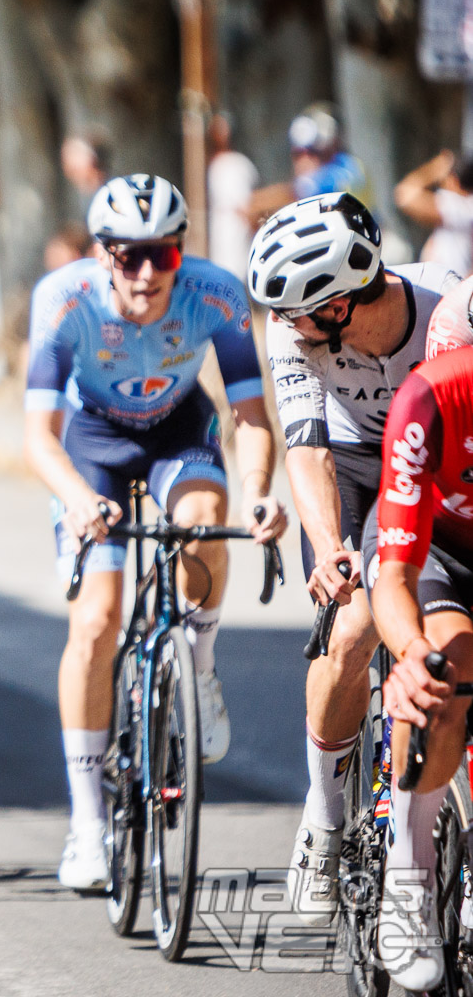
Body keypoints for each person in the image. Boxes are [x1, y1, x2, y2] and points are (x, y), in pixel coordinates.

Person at [25, 174, 288, 890]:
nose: (146, 273)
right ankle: (86, 827)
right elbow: (38, 435)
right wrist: (78, 499)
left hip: (179, 429)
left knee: (204, 523)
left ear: (182, 252)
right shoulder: (63, 299)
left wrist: (260, 493)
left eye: (162, 256)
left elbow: (252, 416)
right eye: (127, 255)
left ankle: (198, 671)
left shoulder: (218, 293)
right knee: (97, 621)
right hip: (92, 444)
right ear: (101, 254)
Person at [246, 191, 463, 925]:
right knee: (352, 626)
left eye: (294, 311)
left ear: (338, 305)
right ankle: (325, 811)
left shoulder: (447, 308)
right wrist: (330, 546)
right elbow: (304, 447)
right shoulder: (296, 338)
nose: (283, 325)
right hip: (348, 465)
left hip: (430, 464)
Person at [363, 344, 473, 992]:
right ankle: (410, 864)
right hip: (432, 552)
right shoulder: (430, 396)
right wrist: (408, 657)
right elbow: (395, 575)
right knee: (445, 664)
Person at [249, 103, 370, 224]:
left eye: (310, 153)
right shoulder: (331, 168)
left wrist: (254, 203)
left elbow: (296, 191)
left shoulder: (347, 166)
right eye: (298, 154)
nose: (303, 160)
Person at [395, 150, 473, 277]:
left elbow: (404, 195)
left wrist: (436, 168)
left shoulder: (462, 206)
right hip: (453, 288)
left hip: (451, 289)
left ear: (453, 180)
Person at [207, 112, 259, 281]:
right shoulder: (215, 165)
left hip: (237, 230)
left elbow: (245, 207)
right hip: (222, 228)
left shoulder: (238, 163)